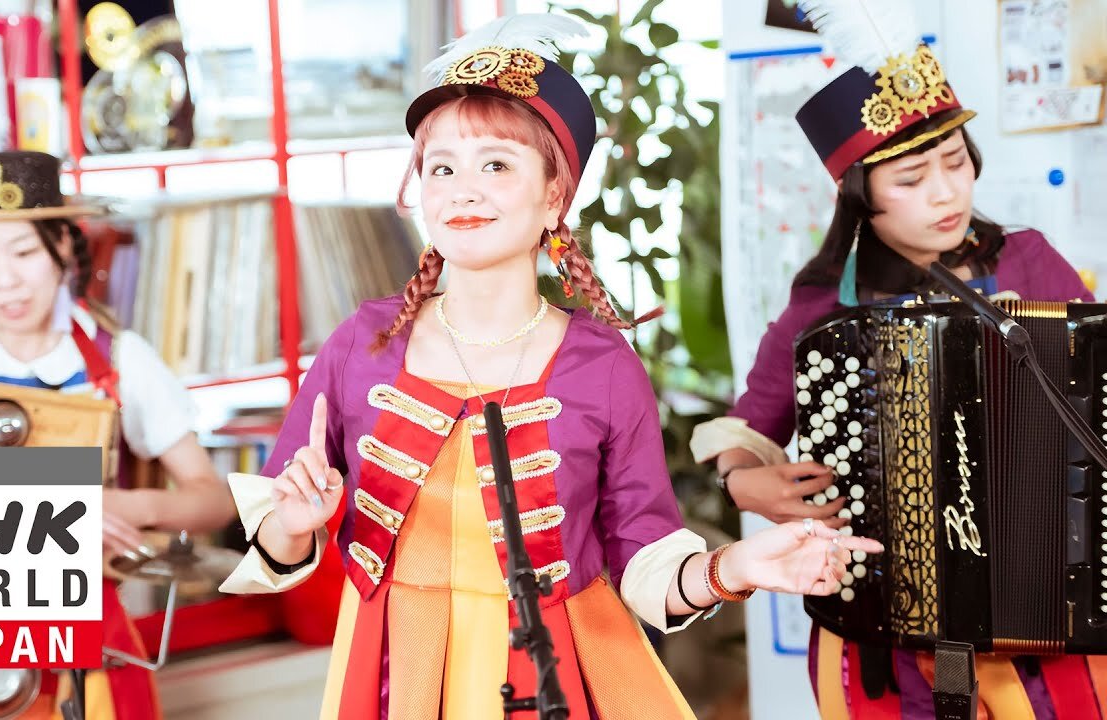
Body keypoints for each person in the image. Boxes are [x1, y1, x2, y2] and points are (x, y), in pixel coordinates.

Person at [219, 15, 882, 720]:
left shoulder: (602, 366)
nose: (461, 190)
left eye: (496, 164)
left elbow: (642, 558)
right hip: (391, 675)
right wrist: (294, 526)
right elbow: (278, 533)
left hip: (554, 678)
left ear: (555, 197)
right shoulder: (363, 342)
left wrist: (736, 568)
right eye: (440, 167)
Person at [690, 1, 1098, 717]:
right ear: (861, 196)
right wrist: (742, 483)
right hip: (889, 632)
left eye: (955, 162)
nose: (945, 193)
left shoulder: (1030, 259)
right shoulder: (824, 307)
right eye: (910, 179)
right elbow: (745, 429)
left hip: (1046, 614)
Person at [0, 150, 235, 720]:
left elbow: (212, 500)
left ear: (63, 245)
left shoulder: (119, 359)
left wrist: (120, 505)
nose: (5, 280)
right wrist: (65, 508)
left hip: (91, 646)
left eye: (23, 252)